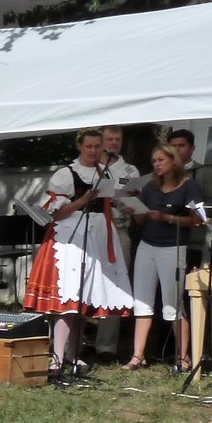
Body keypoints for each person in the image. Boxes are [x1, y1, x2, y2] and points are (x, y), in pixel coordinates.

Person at [22, 128, 135, 378]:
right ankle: (57, 356)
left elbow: (109, 201)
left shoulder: (104, 172)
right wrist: (83, 200)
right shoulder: (67, 174)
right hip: (71, 237)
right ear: (80, 147)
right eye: (89, 146)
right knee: (69, 298)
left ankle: (73, 353)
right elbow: (57, 213)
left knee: (84, 298)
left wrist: (125, 204)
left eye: (97, 146)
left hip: (97, 235)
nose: (93, 151)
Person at [123, 143, 204, 372]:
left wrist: (167, 218)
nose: (156, 165)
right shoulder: (150, 187)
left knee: (172, 304)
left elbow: (197, 220)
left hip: (173, 247)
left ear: (173, 160)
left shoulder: (189, 185)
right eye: (154, 161)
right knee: (141, 301)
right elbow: (143, 221)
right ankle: (138, 355)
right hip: (147, 246)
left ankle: (183, 357)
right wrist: (135, 211)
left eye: (161, 160)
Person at [92, 125, 140, 361]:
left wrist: (122, 199)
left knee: (115, 286)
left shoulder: (129, 170)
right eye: (109, 139)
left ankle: (106, 347)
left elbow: (135, 200)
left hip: (118, 230)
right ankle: (72, 344)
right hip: (91, 232)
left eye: (117, 139)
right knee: (84, 283)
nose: (113, 143)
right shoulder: (88, 165)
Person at [166, 129, 212, 269]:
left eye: (181, 145)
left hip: (191, 242)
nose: (177, 150)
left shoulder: (203, 174)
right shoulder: (161, 173)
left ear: (192, 148)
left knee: (187, 281)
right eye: (173, 146)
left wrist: (191, 209)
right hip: (160, 240)